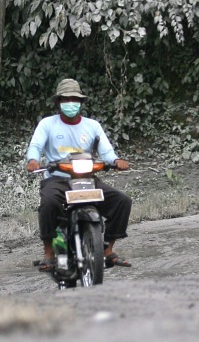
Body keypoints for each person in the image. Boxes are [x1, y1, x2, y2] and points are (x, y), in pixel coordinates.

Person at [26, 78, 133, 271]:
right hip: (58, 177)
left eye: (74, 99)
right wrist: (33, 160)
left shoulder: (92, 126)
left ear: (81, 102)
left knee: (122, 201)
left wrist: (116, 161)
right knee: (49, 202)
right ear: (58, 102)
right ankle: (49, 252)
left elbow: (106, 151)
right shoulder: (47, 124)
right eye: (65, 99)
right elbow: (35, 145)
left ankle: (108, 249)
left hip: (86, 177)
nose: (70, 103)